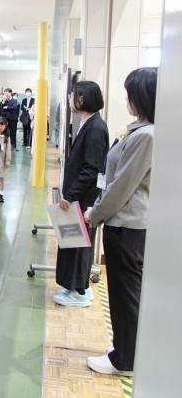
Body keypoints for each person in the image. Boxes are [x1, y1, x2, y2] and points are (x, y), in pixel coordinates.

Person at [83, 67, 157, 376]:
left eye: (129, 94)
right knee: (123, 293)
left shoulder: (146, 136)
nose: (125, 99)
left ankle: (125, 360)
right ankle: (124, 349)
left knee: (126, 294)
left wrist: (95, 213)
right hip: (123, 223)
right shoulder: (140, 130)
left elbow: (121, 186)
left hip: (127, 226)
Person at [53, 81, 109, 308]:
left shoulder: (95, 128)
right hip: (79, 196)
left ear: (82, 99)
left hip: (83, 198)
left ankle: (80, 291)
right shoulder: (89, 124)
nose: (69, 99)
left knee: (80, 245)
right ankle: (76, 287)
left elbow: (91, 169)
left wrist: (70, 195)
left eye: (72, 95)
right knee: (74, 243)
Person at [0, 117, 12, 203]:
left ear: (5, 126)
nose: (0, 127)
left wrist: (7, 161)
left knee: (1, 178)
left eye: (2, 125)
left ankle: (1, 194)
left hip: (2, 160)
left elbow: (8, 150)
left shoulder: (6, 137)